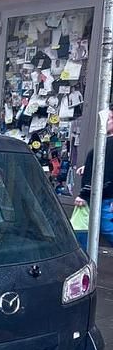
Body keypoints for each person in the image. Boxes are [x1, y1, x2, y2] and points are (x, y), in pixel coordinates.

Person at [75, 106, 113, 247]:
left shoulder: (108, 144)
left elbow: (107, 173)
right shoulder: (106, 143)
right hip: (103, 196)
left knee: (107, 228)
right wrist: (89, 168)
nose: (103, 122)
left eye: (108, 118)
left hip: (105, 198)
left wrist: (84, 194)